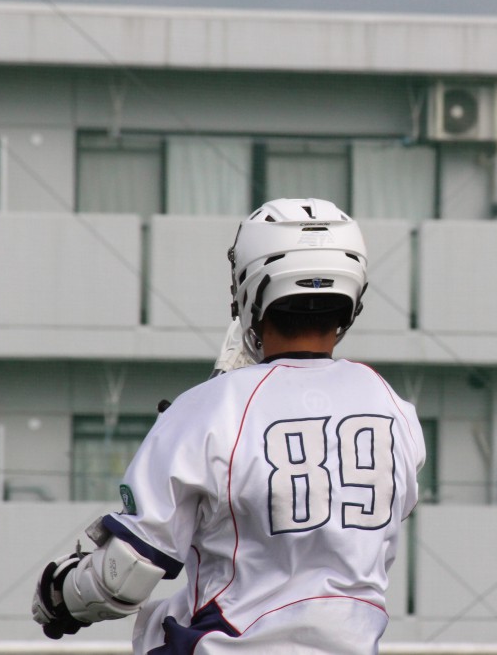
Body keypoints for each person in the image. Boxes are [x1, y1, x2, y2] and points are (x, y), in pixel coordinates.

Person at [31, 198, 427, 654]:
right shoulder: (394, 407)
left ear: (251, 287)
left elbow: (125, 575)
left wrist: (59, 592)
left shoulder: (211, 406)